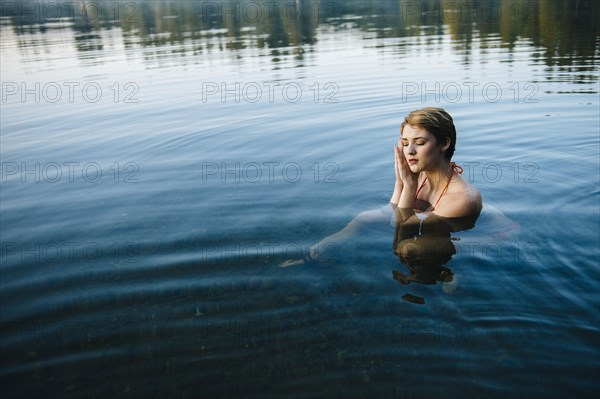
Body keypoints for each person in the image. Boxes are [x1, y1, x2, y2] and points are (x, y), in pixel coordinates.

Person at [281, 107, 482, 267]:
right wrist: (401, 182)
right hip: (415, 221)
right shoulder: (419, 174)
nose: (409, 151)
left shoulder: (460, 199)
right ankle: (313, 254)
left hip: (446, 241)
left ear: (444, 143)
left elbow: (399, 225)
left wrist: (408, 185)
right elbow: (392, 211)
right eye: (405, 143)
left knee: (406, 249)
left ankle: (446, 273)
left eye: (419, 143)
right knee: (363, 218)